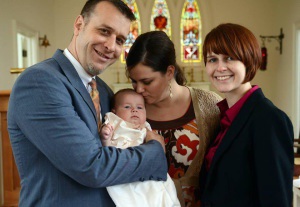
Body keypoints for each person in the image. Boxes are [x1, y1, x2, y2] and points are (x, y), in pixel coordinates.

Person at [7, 1, 168, 206]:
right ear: (79, 25)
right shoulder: (39, 82)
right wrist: (155, 150)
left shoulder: (103, 90)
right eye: (104, 31)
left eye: (119, 40)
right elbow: (92, 167)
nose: (111, 46)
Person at [199, 23, 294, 206]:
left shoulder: (269, 119)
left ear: (248, 60)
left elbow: (276, 200)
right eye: (212, 59)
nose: (220, 68)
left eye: (229, 58)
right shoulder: (225, 117)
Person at [125, 30, 221, 207]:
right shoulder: (128, 109)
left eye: (147, 82)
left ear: (169, 72)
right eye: (134, 81)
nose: (138, 89)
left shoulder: (210, 106)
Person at [100, 88, 180, 207]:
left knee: (160, 195)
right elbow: (107, 151)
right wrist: (105, 138)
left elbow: (157, 151)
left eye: (139, 107)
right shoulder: (113, 124)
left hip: (150, 171)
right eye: (127, 107)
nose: (134, 110)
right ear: (114, 111)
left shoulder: (146, 128)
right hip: (125, 170)